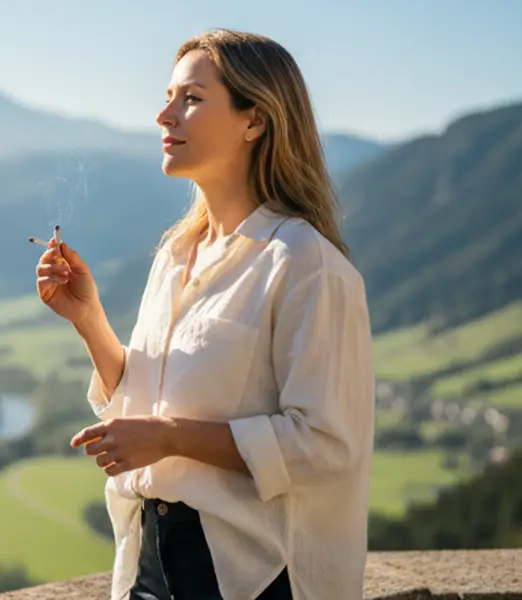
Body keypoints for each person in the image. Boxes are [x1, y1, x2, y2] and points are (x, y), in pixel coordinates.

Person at [34, 29, 376, 600]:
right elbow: (147, 401)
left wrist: (170, 437)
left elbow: (324, 443)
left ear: (255, 120)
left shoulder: (305, 264)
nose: (164, 115)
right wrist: (89, 319)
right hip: (152, 558)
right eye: (169, 96)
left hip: (254, 572)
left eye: (190, 99)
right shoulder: (176, 253)